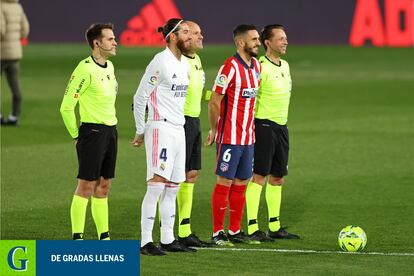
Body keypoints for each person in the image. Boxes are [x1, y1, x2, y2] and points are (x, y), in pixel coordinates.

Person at [132, 18, 196, 256]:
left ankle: (168, 239)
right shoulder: (160, 62)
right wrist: (141, 129)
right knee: (157, 185)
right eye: (185, 33)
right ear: (172, 36)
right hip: (161, 128)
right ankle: (146, 241)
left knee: (173, 187)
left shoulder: (183, 64)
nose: (189, 37)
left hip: (179, 130)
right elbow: (140, 97)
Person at [60, 23, 118, 241]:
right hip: (92, 132)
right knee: (86, 185)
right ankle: (78, 237)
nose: (115, 43)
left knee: (104, 186)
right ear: (97, 43)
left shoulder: (109, 67)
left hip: (111, 131)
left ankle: (104, 236)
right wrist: (76, 136)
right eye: (110, 39)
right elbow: (66, 106)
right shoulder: (84, 69)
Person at [206, 24, 261, 246]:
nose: (258, 43)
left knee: (242, 182)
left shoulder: (256, 66)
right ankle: (218, 232)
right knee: (225, 181)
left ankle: (235, 230)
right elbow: (213, 102)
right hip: (229, 137)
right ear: (240, 42)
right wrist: (214, 129)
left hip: (248, 137)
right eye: (254, 39)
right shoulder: (228, 68)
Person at [245, 24, 300, 240]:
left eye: (286, 38)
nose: (285, 41)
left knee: (278, 177)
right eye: (281, 38)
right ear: (267, 43)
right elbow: (247, 97)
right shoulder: (259, 66)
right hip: (263, 126)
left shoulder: (285, 65)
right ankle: (252, 227)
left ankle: (274, 226)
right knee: (259, 176)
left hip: (281, 127)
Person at [176, 21, 210, 248]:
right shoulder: (174, 62)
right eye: (196, 33)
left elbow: (198, 91)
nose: (201, 36)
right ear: (184, 36)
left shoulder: (196, 60)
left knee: (192, 174)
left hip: (194, 122)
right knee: (173, 179)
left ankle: (184, 230)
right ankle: (169, 231)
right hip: (179, 122)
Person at [0, 0, 29, 125]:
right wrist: (18, 40)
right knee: (15, 87)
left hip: (1, 52)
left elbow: (1, 30)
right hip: (15, 53)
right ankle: (14, 116)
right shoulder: (18, 7)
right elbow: (25, 29)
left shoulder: (1, 6)